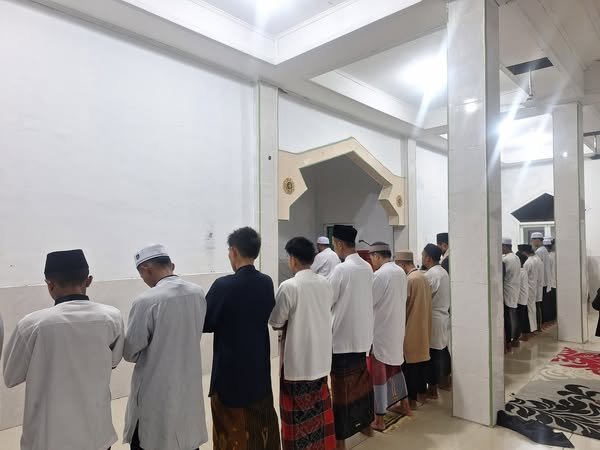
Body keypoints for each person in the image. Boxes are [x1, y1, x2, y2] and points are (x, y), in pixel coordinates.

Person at [3, 249, 124, 450]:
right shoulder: (112, 317)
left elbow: (11, 377)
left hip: (48, 438)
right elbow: (114, 361)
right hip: (97, 435)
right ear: (89, 280)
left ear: (49, 284)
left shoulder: (32, 325)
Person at [123, 244, 208, 450]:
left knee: (153, 437)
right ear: (172, 265)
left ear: (146, 270)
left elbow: (130, 352)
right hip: (188, 382)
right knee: (185, 435)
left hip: (156, 388)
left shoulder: (146, 301)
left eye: (141, 275)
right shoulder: (198, 293)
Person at [204, 227, 280, 450]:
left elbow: (205, 323)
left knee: (230, 432)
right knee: (260, 427)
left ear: (234, 251)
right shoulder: (266, 282)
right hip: (258, 369)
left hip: (230, 375)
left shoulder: (223, 286)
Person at [270, 237, 336, 450]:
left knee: (295, 418)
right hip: (321, 360)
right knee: (319, 414)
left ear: (293, 259)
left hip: (297, 364)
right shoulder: (326, 284)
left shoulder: (289, 286)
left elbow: (276, 322)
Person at [328, 224, 375, 449]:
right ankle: (366, 425)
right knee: (361, 385)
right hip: (362, 336)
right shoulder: (367, 267)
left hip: (342, 338)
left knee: (341, 390)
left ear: (339, 244)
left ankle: (341, 440)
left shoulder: (341, 270)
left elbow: (328, 299)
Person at [368, 242, 411, 431]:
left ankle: (379, 419)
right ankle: (405, 405)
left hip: (381, 330)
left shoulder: (380, 275)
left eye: (372, 258)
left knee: (379, 372)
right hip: (396, 328)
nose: (372, 262)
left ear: (377, 256)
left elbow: (369, 301)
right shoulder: (400, 272)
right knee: (395, 368)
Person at [396, 251, 432, 409]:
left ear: (403, 264)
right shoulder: (422, 277)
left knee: (410, 368)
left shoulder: (410, 280)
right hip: (423, 326)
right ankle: (420, 398)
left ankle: (410, 403)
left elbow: (403, 305)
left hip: (411, 326)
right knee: (420, 365)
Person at [421, 244, 451, 398]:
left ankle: (432, 388)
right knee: (442, 350)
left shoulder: (431, 275)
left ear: (428, 258)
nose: (421, 258)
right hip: (443, 316)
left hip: (434, 317)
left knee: (433, 354)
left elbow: (424, 296)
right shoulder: (443, 272)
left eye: (423, 255)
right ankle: (445, 380)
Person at [519, 244, 543, 335]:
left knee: (529, 310)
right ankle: (535, 328)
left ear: (524, 252)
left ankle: (530, 330)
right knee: (533, 308)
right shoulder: (538, 259)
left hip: (529, 288)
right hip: (536, 287)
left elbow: (524, 276)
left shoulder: (528, 262)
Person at [502, 238, 521, 352]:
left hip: (508, 290)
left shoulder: (506, 259)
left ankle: (510, 340)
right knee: (513, 314)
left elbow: (502, 275)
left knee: (509, 317)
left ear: (504, 246)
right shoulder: (516, 257)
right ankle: (515, 339)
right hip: (514, 289)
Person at [532, 232, 551, 328]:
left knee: (539, 304)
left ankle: (540, 324)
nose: (532, 243)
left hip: (541, 281)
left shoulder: (539, 251)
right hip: (545, 281)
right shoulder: (544, 250)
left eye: (532, 240)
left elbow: (536, 267)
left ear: (537, 240)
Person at [515, 251, 531, 341]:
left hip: (520, 298)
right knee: (524, 317)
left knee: (520, 318)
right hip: (524, 297)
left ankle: (520, 336)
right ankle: (526, 334)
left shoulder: (520, 272)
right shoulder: (523, 271)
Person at [544, 237, 557, 325]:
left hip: (550, 283)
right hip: (555, 283)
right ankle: (553, 320)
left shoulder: (548, 257)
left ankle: (550, 321)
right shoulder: (556, 255)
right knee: (553, 304)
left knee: (549, 304)